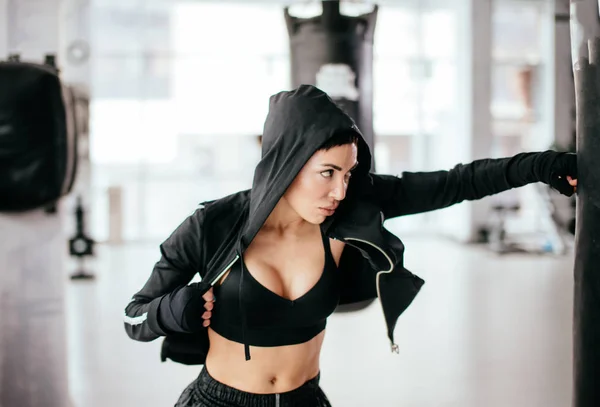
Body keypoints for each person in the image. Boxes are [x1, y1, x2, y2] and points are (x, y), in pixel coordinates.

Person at [123, 85, 578, 407]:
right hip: (218, 402)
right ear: (288, 163)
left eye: (348, 173)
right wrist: (169, 311)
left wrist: (539, 165)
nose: (340, 191)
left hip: (307, 399)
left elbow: (456, 183)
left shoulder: (352, 210)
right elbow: (134, 315)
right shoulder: (212, 226)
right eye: (327, 173)